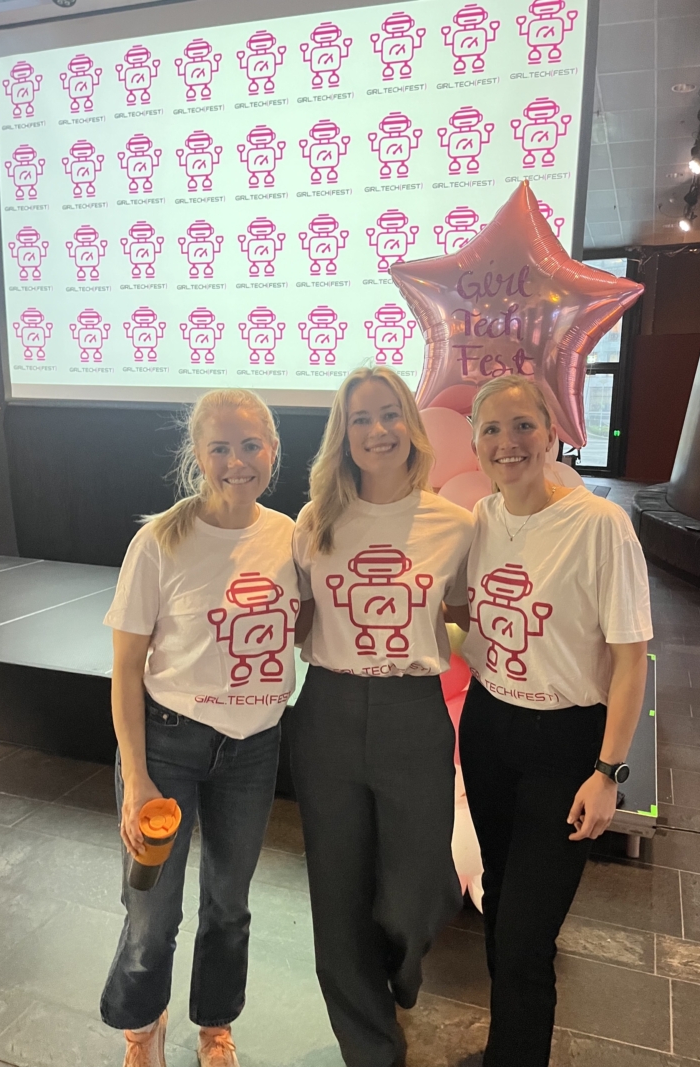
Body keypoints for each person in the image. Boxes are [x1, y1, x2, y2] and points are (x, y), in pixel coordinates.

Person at [447, 375, 652, 1067]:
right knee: (502, 900)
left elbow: (630, 660)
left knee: (528, 934)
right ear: (475, 443)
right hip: (488, 726)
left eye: (524, 425)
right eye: (492, 430)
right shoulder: (480, 518)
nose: (509, 443)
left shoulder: (600, 525)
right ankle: (509, 1047)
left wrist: (608, 771)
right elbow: (462, 616)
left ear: (552, 431)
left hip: (567, 744)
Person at [100, 389, 299, 1067]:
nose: (236, 461)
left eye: (250, 445)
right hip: (167, 744)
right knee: (151, 910)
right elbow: (125, 668)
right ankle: (142, 1020)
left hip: (255, 748)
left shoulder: (292, 538)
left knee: (229, 904)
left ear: (273, 447)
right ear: (198, 455)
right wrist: (135, 780)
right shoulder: (159, 540)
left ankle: (215, 1024)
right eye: (220, 447)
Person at [291, 366, 475, 1067]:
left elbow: (468, 613)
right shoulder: (318, 520)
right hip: (329, 710)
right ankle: (369, 1046)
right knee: (337, 897)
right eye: (361, 418)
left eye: (389, 414)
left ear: (412, 427)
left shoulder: (454, 524)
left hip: (411, 713)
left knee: (414, 893)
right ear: (344, 435)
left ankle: (402, 961)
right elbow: (296, 613)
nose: (377, 430)